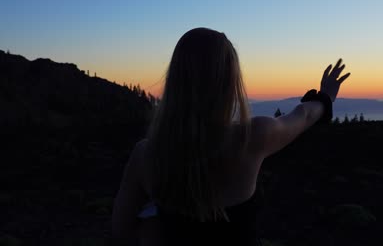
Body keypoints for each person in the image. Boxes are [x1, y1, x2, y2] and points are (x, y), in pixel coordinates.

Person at [111, 27, 351, 245]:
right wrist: (326, 96)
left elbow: (122, 232)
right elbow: (304, 116)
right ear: (229, 82)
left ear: (175, 79)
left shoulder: (146, 156)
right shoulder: (252, 138)